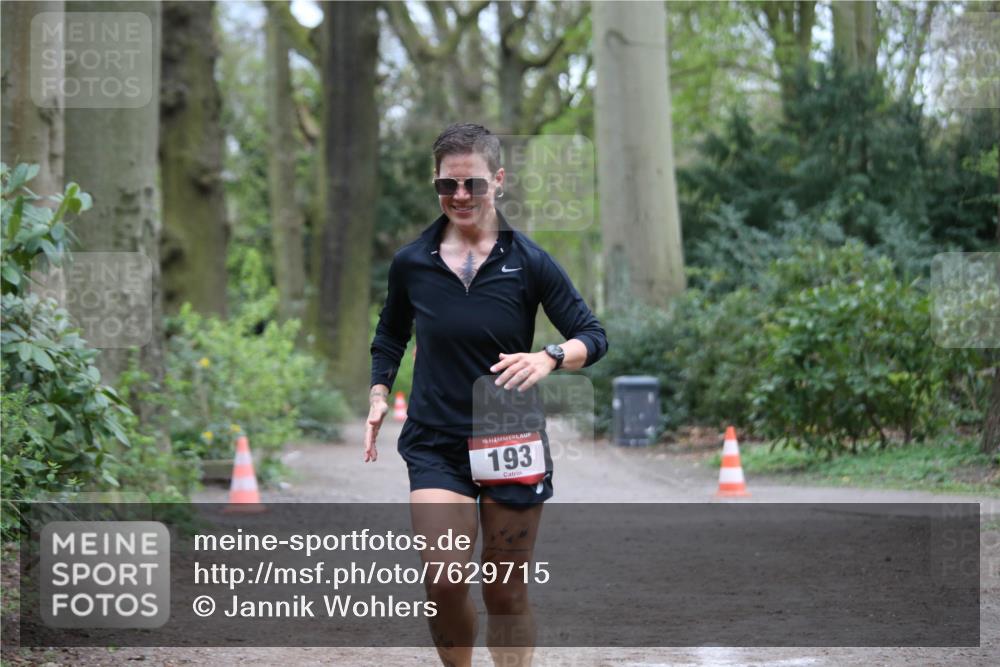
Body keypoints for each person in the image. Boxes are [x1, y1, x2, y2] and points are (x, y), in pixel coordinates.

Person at [365, 123, 608, 667]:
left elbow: (592, 336)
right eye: (445, 186)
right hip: (436, 442)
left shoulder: (530, 261)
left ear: (498, 181)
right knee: (445, 582)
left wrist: (548, 356)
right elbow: (390, 335)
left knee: (504, 592)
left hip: (509, 437)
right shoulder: (412, 263)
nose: (458, 197)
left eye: (471, 184)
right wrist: (380, 391)